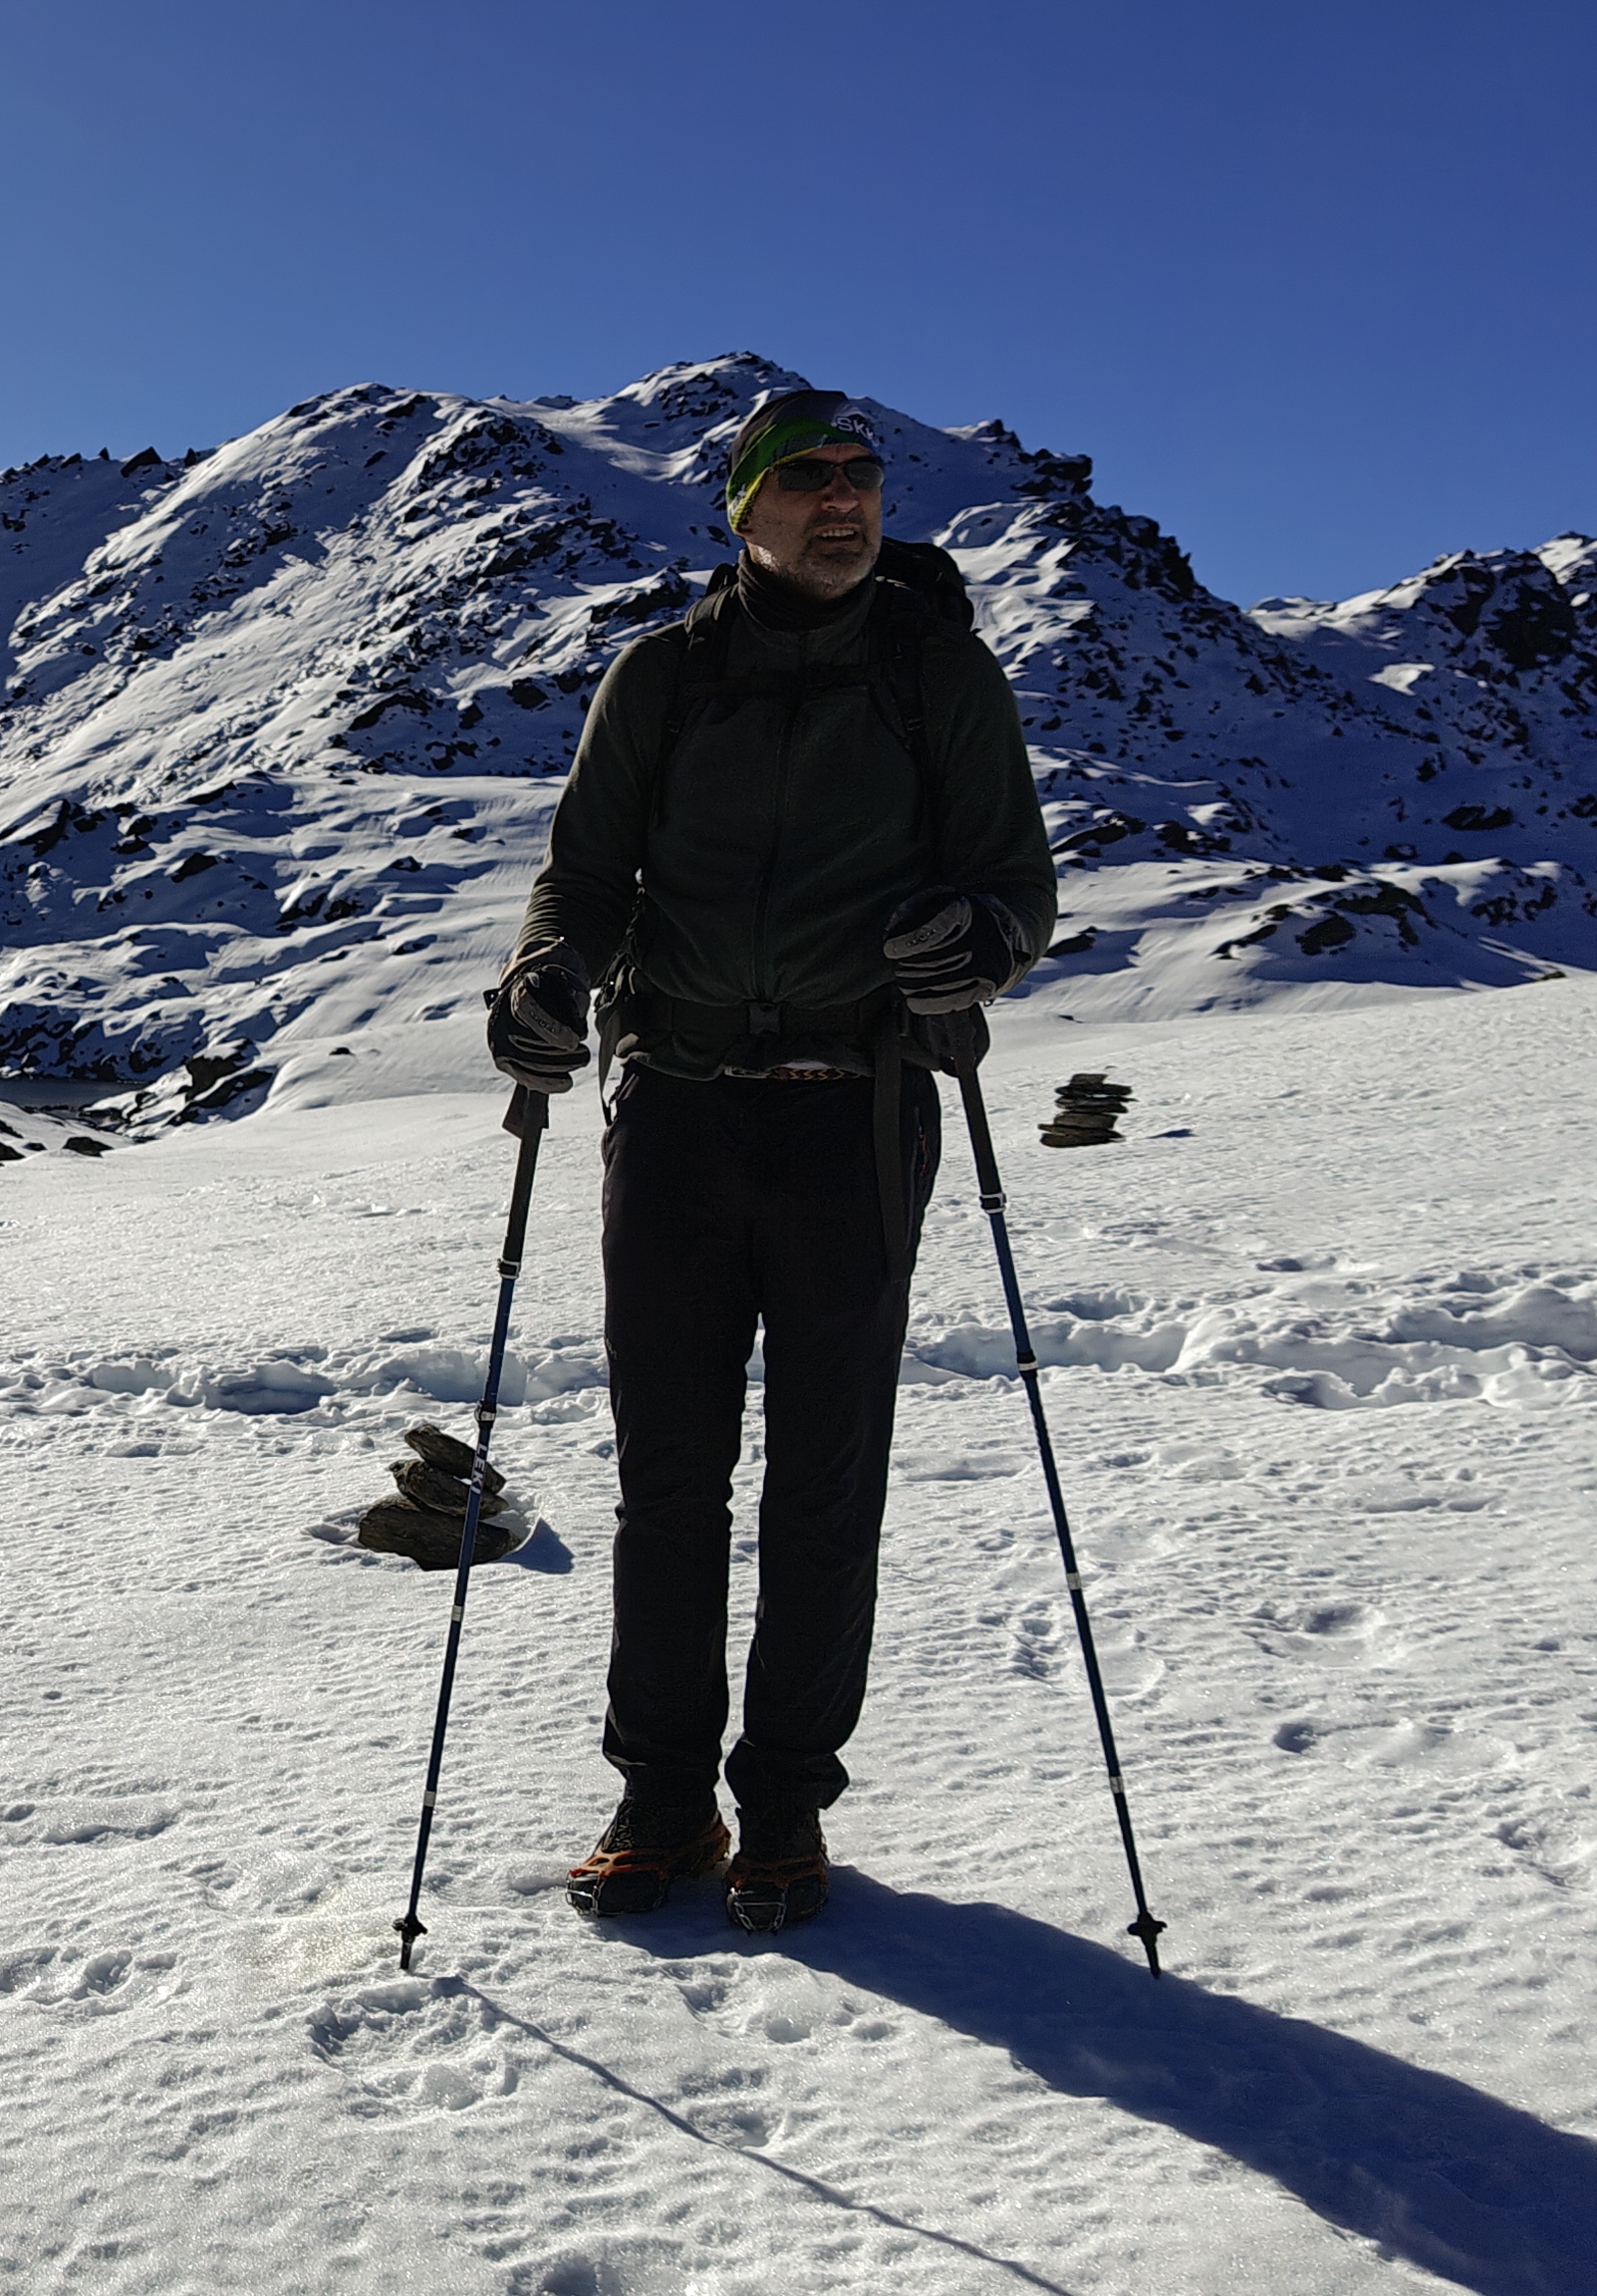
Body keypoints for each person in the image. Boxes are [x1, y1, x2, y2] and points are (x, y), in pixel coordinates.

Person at [485, 387, 1056, 1932]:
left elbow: (1019, 882)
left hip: (851, 1116)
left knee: (824, 1479)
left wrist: (980, 943)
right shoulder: (662, 680)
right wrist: (544, 981)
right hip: (670, 1108)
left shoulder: (936, 674)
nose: (845, 500)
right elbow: (587, 878)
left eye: (861, 477)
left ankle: (786, 1801)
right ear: (742, 508)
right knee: (670, 1477)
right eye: (807, 480)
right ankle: (659, 1796)